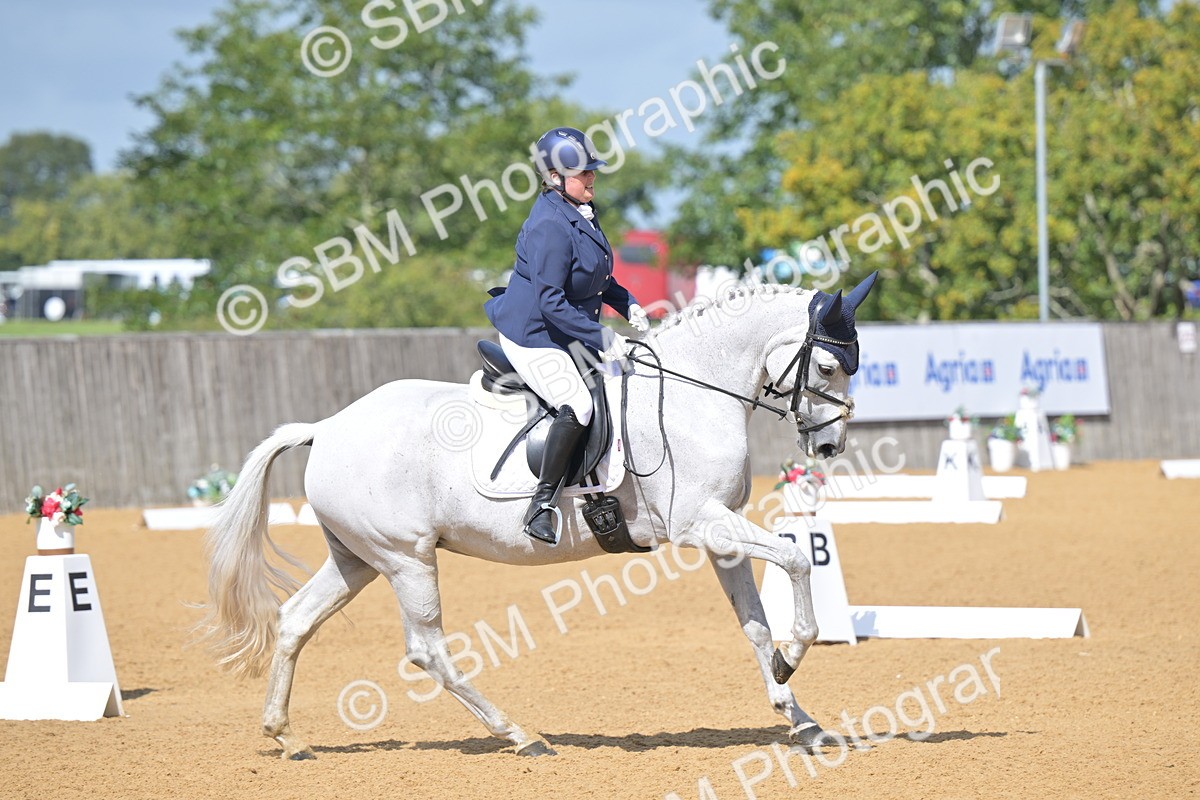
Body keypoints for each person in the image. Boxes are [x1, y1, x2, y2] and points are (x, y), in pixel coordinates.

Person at [485, 126, 650, 544]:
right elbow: (550, 303)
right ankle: (541, 504)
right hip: (534, 334)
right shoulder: (548, 226)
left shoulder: (580, 211)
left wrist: (627, 302)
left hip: (566, 327)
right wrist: (602, 337)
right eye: (583, 172)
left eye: (593, 170)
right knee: (577, 403)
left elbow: (596, 277)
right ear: (554, 177)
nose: (592, 177)